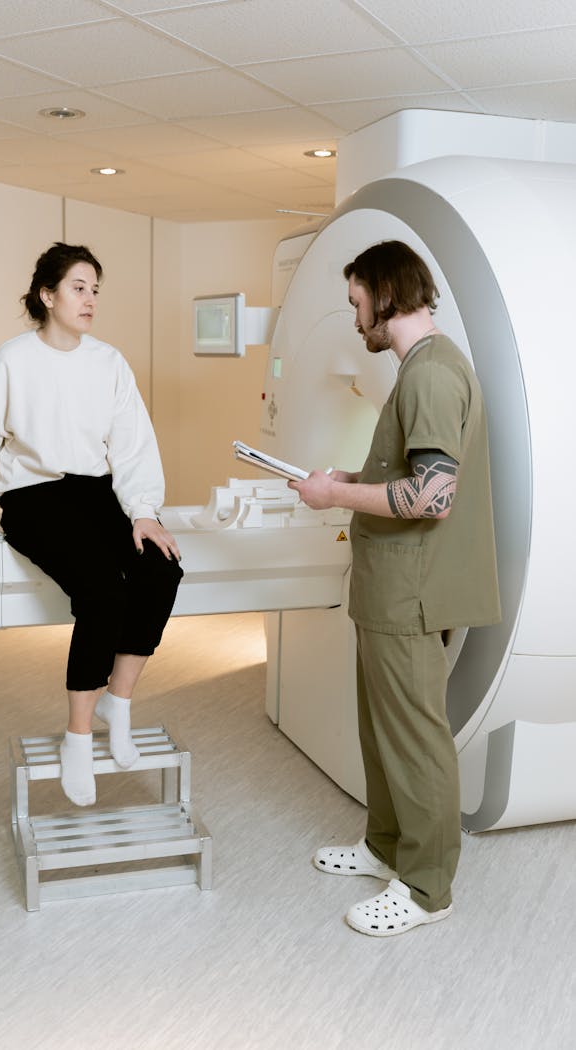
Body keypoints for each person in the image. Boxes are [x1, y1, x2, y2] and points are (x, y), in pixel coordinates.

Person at [289, 240, 500, 938]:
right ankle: (385, 846)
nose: (356, 321)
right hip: (387, 590)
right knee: (381, 733)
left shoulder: (432, 375)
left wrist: (330, 498)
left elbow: (433, 495)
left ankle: (428, 885)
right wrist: (347, 482)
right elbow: (409, 475)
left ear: (384, 294)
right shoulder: (419, 370)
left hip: (411, 593)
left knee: (414, 741)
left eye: (357, 304)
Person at [0, 242, 183, 808]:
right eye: (78, 287)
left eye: (95, 289)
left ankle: (116, 704)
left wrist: (143, 511)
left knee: (161, 570)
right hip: (32, 498)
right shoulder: (13, 359)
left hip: (97, 494)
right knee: (101, 593)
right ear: (47, 295)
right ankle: (78, 738)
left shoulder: (108, 361)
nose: (90, 298)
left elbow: (133, 444)